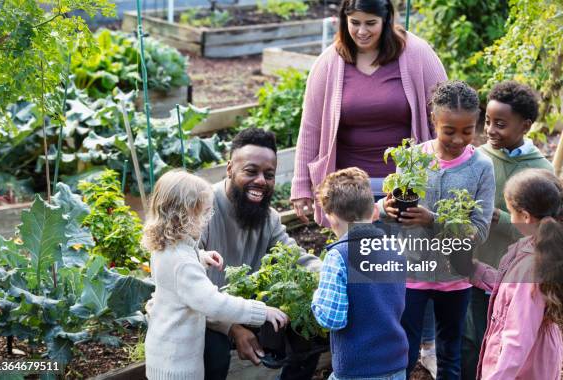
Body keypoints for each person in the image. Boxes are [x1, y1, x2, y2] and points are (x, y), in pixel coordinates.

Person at [291, 0, 447, 227]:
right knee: (357, 257)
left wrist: (449, 170)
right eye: (354, 23)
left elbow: (444, 114)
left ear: (387, 21)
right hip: (349, 193)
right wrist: (301, 185)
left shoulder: (417, 54)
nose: (362, 31)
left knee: (403, 257)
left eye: (370, 23)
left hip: (406, 188)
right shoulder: (329, 63)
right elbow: (310, 129)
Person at [383, 80, 495, 379]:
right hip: (411, 273)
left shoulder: (481, 167)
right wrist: (390, 210)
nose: (459, 139)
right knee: (403, 352)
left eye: (467, 130)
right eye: (449, 131)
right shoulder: (411, 158)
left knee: (450, 354)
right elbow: (396, 213)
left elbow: (480, 231)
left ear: (477, 124)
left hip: (455, 276)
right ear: (434, 120)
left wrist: (432, 219)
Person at [142, 169, 288, 379]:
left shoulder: (167, 247)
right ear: (185, 215)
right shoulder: (182, 262)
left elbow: (176, 269)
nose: (208, 219)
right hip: (179, 366)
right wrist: (262, 312)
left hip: (164, 353)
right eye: (205, 213)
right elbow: (214, 303)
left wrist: (200, 256)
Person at [200, 128, 322, 380]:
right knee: (214, 349)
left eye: (269, 175)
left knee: (307, 327)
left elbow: (295, 256)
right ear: (230, 168)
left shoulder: (268, 218)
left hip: (249, 309)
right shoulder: (201, 210)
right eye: (251, 171)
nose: (261, 182)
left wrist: (332, 275)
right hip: (203, 314)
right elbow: (188, 288)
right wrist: (232, 328)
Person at [461, 81, 554, 380]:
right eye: (487, 121)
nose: (489, 130)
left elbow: (541, 232)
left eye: (500, 124)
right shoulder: (478, 157)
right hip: (476, 269)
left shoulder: (540, 171)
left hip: (515, 279)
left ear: (525, 125)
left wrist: (496, 217)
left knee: (504, 343)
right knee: (470, 342)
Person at [472, 168, 563, 379]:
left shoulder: (532, 267)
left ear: (525, 217)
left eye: (511, 211)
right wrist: (474, 270)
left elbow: (517, 340)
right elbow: (511, 291)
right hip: (536, 355)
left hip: (522, 366)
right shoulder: (549, 244)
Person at [312, 167, 408, 380]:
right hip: (396, 364)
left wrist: (317, 296)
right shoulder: (395, 249)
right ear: (374, 211)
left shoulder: (339, 256)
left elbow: (331, 318)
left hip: (358, 370)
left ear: (332, 218)